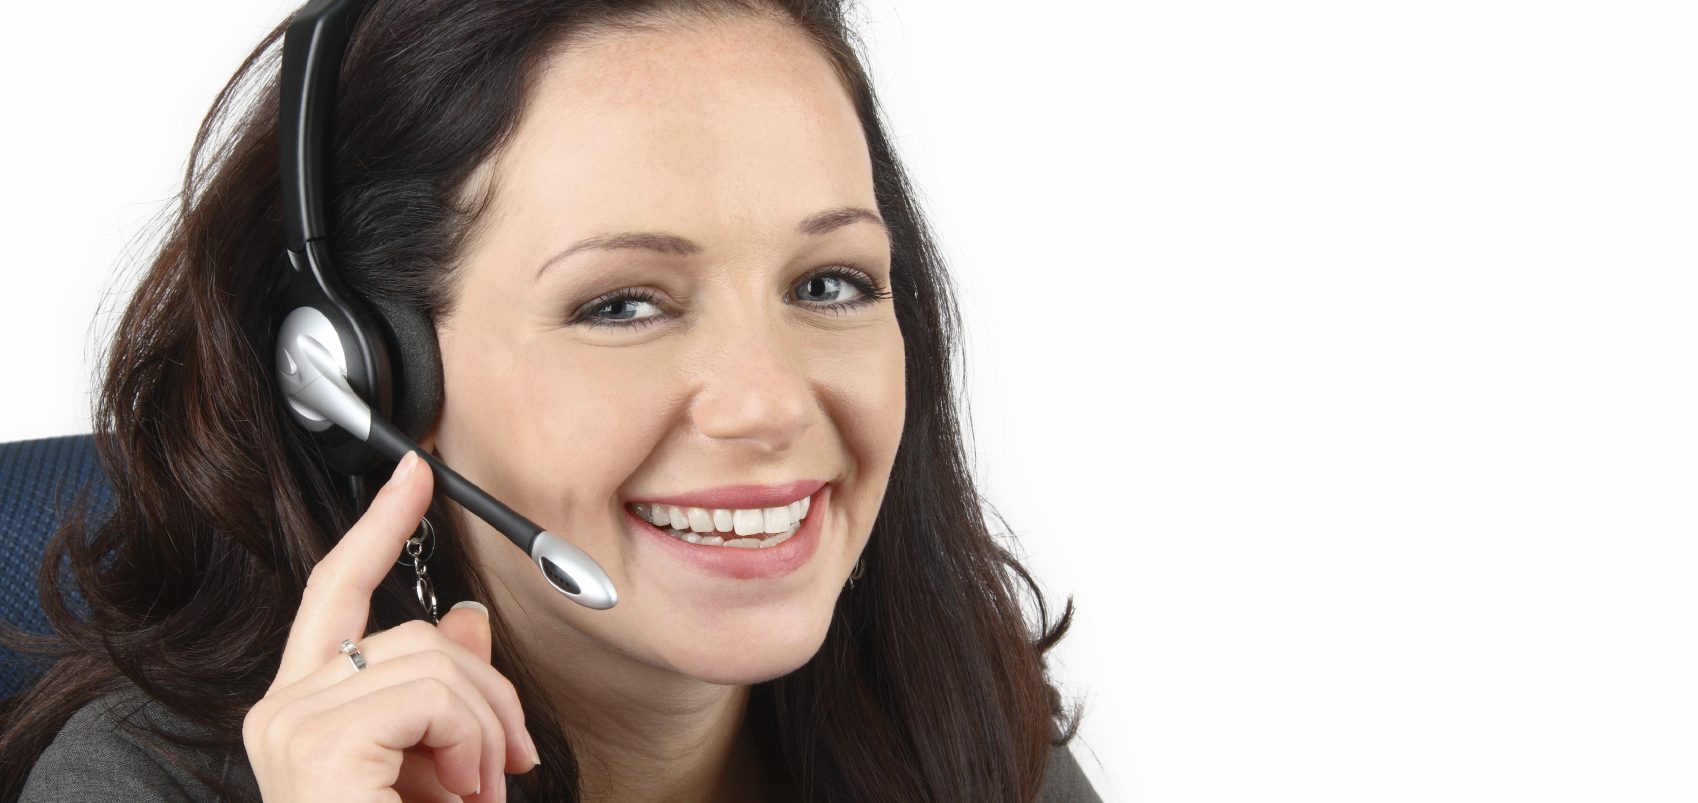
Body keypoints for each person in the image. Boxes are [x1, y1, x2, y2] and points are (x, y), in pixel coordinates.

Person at [0, 0, 1096, 800]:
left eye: (830, 283)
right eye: (623, 304)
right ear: (360, 376)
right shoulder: (139, 780)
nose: (767, 404)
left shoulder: (953, 718)